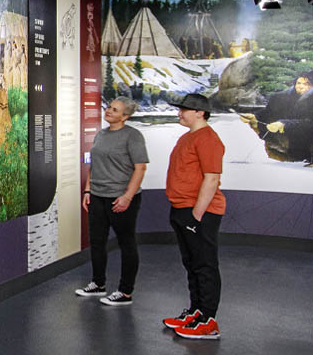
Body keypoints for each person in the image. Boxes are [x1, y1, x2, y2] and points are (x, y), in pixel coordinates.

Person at [161, 93, 226, 340]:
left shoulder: (208, 139)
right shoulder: (187, 137)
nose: (180, 113)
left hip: (199, 212)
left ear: (200, 112)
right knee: (191, 264)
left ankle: (209, 321)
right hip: (182, 209)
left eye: (185, 109)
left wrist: (197, 214)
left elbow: (211, 178)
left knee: (204, 265)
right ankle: (196, 311)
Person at [76, 97, 148, 306]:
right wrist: (88, 190)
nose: (108, 111)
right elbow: (93, 164)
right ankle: (98, 283)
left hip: (121, 198)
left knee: (126, 243)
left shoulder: (132, 136)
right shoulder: (101, 134)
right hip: (97, 196)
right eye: (109, 107)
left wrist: (127, 196)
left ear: (125, 116)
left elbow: (140, 168)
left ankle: (125, 292)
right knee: (97, 242)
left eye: (115, 110)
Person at [239, 70, 313, 168]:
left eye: (306, 83)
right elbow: (271, 112)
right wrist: (255, 117)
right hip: (297, 136)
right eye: (299, 83)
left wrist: (285, 124)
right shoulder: (286, 97)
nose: (301, 86)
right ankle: (291, 156)